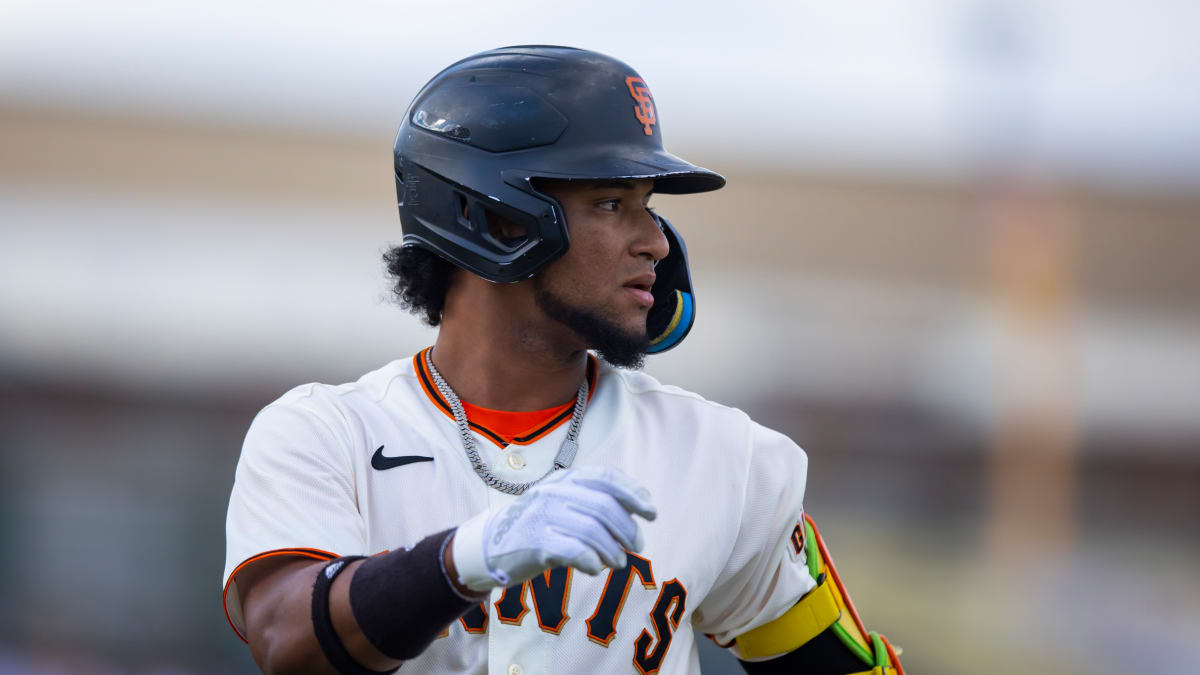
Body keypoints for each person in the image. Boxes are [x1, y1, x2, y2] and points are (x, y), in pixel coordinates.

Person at [222, 45, 905, 675]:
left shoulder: (727, 456)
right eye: (612, 202)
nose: (656, 243)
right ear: (494, 218)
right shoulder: (323, 433)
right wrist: (467, 557)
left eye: (649, 207)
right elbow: (287, 639)